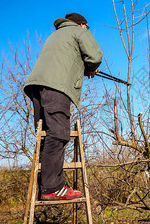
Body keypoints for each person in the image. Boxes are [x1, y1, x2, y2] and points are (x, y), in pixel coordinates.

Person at [24, 13, 103, 200]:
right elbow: (94, 57)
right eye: (87, 27)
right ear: (82, 24)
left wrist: (84, 70)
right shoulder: (78, 31)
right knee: (58, 133)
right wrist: (91, 67)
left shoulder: (55, 36)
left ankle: (43, 186)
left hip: (37, 87)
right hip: (56, 88)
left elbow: (62, 64)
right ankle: (52, 188)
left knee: (45, 137)